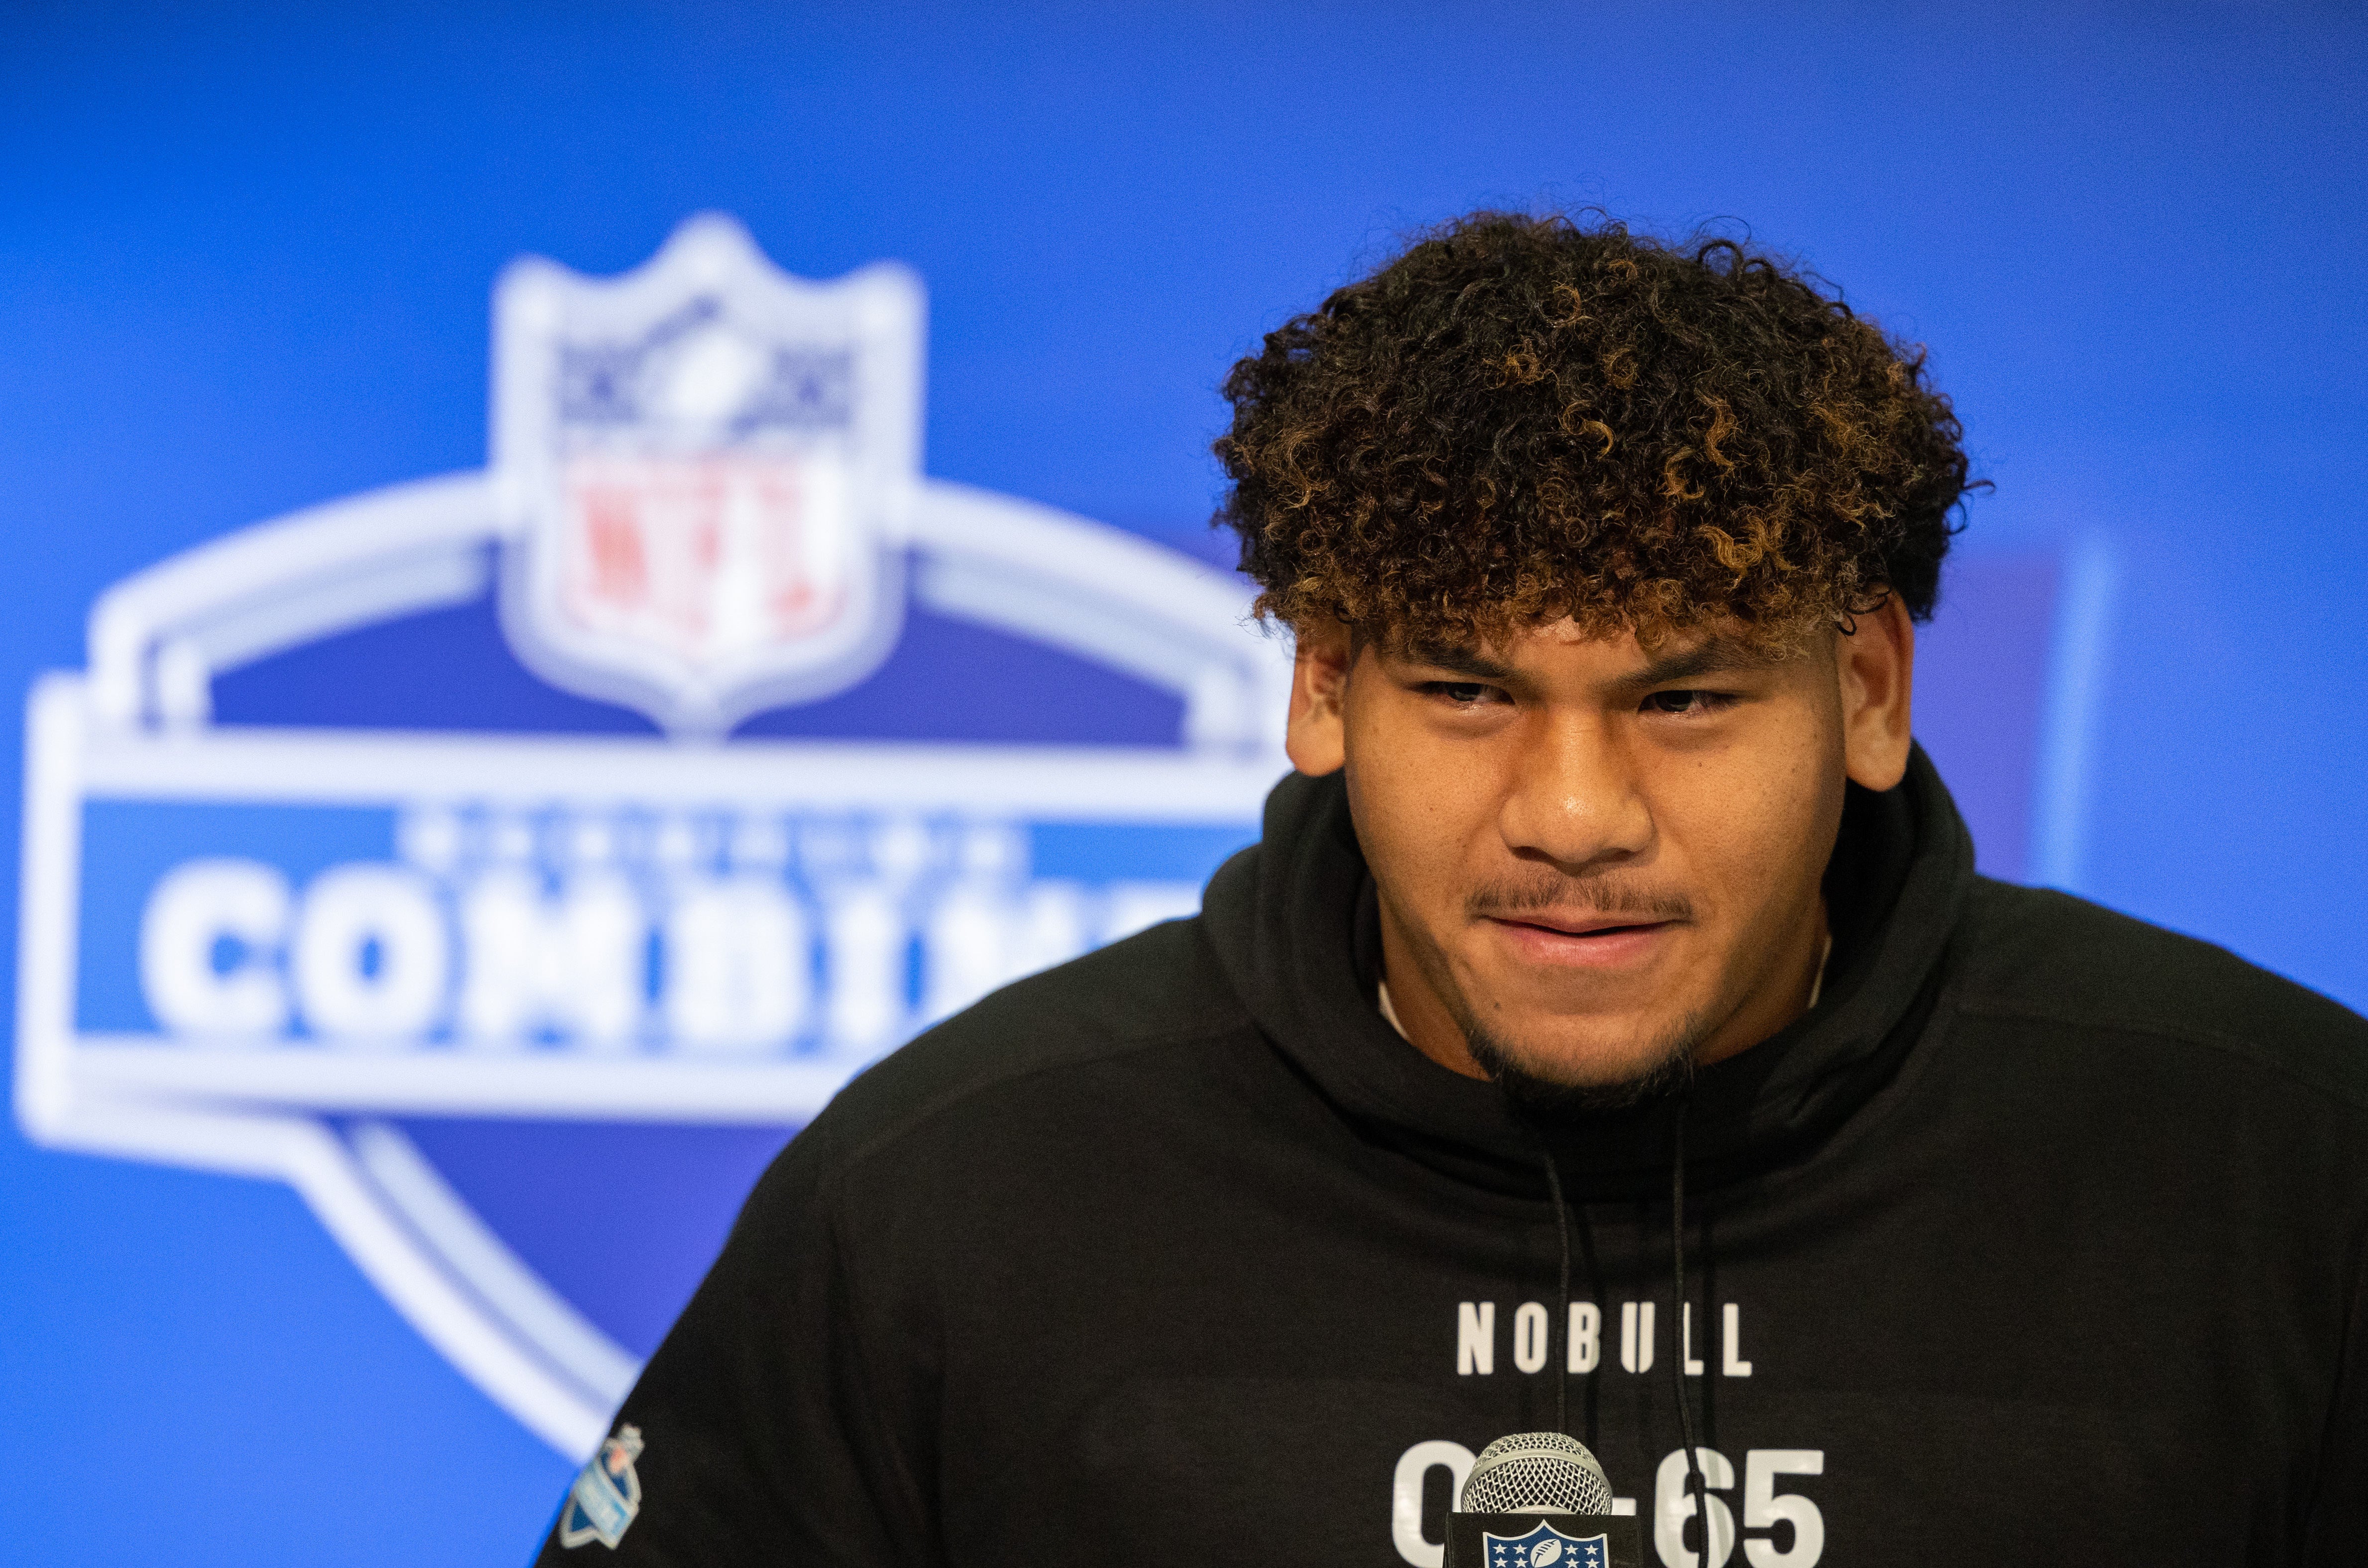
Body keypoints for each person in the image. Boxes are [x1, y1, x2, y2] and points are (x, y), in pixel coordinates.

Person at [535, 213, 2368, 1566]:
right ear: (1325, 687)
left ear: (1870, 692)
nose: (1572, 811)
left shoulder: (2278, 1174)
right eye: (1471, 689)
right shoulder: (954, 1193)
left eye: (1689, 696)